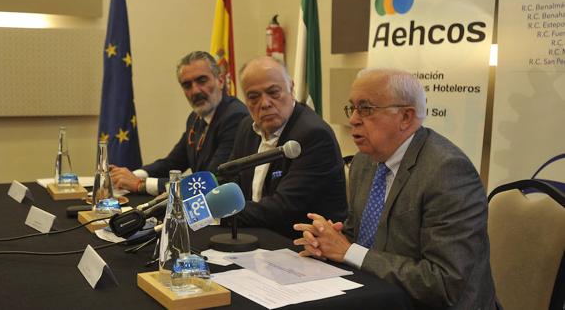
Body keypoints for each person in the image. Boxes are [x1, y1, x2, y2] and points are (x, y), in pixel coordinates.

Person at [293, 68, 498, 309]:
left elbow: (444, 281)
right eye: (353, 108)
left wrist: (348, 251)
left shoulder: (447, 172)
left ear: (406, 118)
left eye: (366, 109)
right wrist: (327, 241)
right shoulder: (364, 162)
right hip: (376, 295)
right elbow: (357, 238)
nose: (353, 119)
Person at [226, 56, 347, 238]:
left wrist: (219, 214)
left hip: (300, 247)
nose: (265, 103)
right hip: (254, 237)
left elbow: (282, 209)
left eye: (273, 92)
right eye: (253, 97)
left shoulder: (313, 135)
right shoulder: (246, 127)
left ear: (291, 88)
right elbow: (230, 180)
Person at [110, 51, 248, 195]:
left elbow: (209, 180)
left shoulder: (235, 117)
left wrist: (140, 184)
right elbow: (173, 163)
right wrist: (131, 175)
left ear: (220, 81)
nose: (195, 91)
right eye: (187, 85)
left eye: (202, 81)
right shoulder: (195, 118)